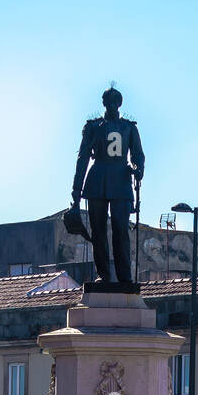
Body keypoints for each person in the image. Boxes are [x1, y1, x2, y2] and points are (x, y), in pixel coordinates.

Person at [71, 86, 144, 289]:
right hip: (97, 181)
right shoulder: (93, 127)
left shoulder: (129, 128)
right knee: (99, 232)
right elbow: (82, 159)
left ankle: (124, 276)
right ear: (104, 103)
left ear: (120, 104)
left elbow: (138, 154)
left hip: (121, 180)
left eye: (115, 102)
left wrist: (138, 169)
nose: (112, 105)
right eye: (108, 101)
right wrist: (76, 194)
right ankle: (103, 274)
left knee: (121, 229)